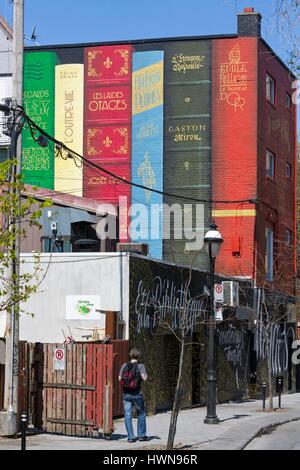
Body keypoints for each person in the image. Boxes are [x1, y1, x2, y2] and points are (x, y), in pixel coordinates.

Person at [119, 348, 149, 443]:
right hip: (137, 394)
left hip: (126, 394)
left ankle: (130, 437)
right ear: (139, 356)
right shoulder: (141, 366)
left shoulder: (124, 365)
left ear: (130, 354)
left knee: (128, 414)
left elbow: (119, 378)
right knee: (141, 413)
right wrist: (144, 376)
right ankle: (141, 436)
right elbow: (144, 378)